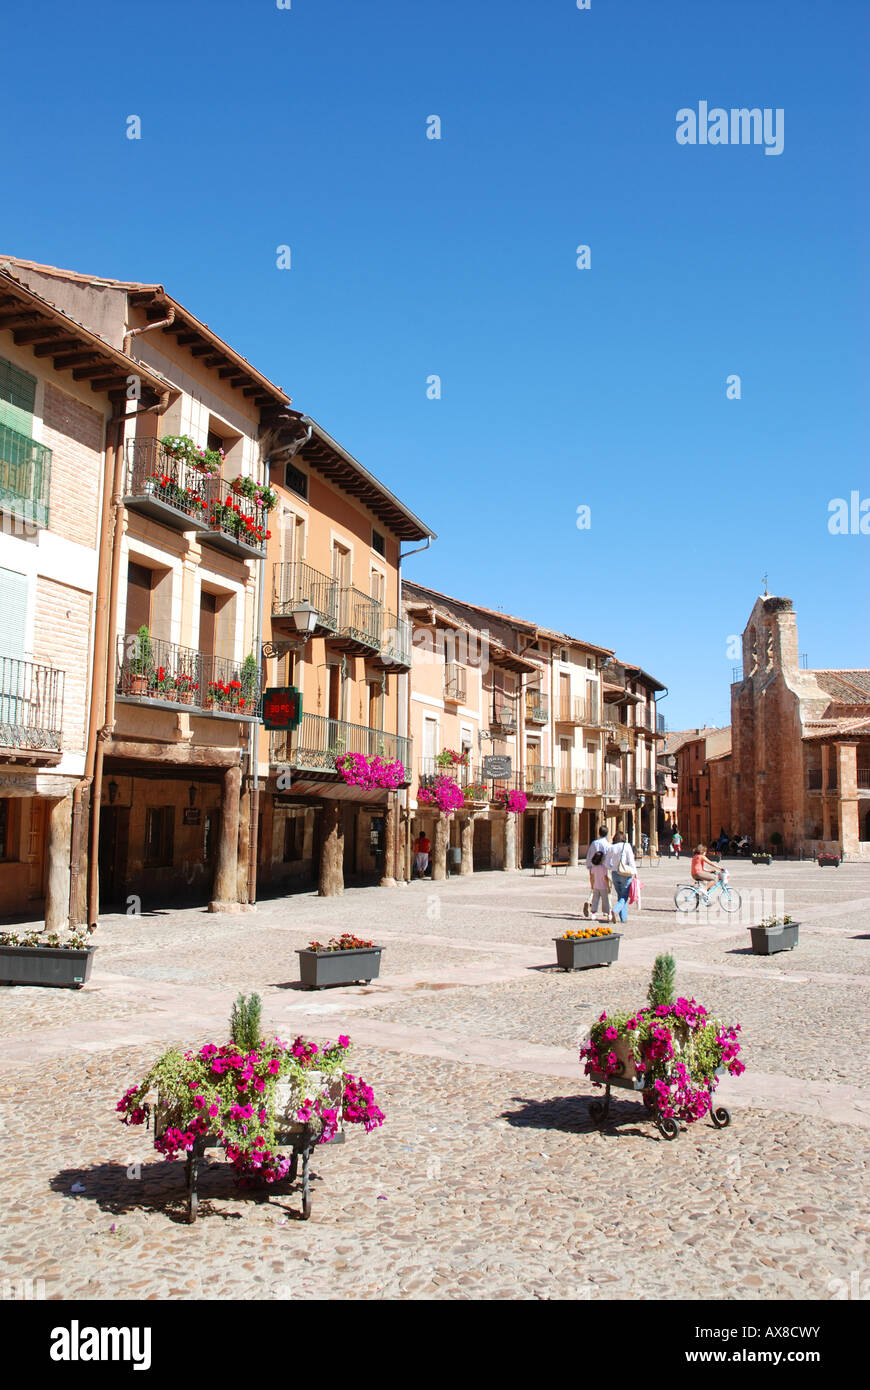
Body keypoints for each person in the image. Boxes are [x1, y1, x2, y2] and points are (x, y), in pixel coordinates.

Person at [605, 827, 636, 924]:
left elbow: (606, 862)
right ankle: (615, 910)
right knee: (625, 896)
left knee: (620, 895)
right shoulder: (626, 846)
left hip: (615, 873)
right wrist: (635, 872)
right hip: (625, 874)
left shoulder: (611, 847)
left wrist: (612, 867)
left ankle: (623, 918)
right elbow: (631, 861)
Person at [583, 825, 610, 918]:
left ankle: (589, 901)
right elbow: (608, 857)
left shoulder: (594, 843)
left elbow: (589, 856)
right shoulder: (607, 845)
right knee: (606, 889)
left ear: (599, 833)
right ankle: (607, 911)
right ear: (607, 833)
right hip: (604, 868)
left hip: (594, 867)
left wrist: (589, 867)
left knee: (595, 887)